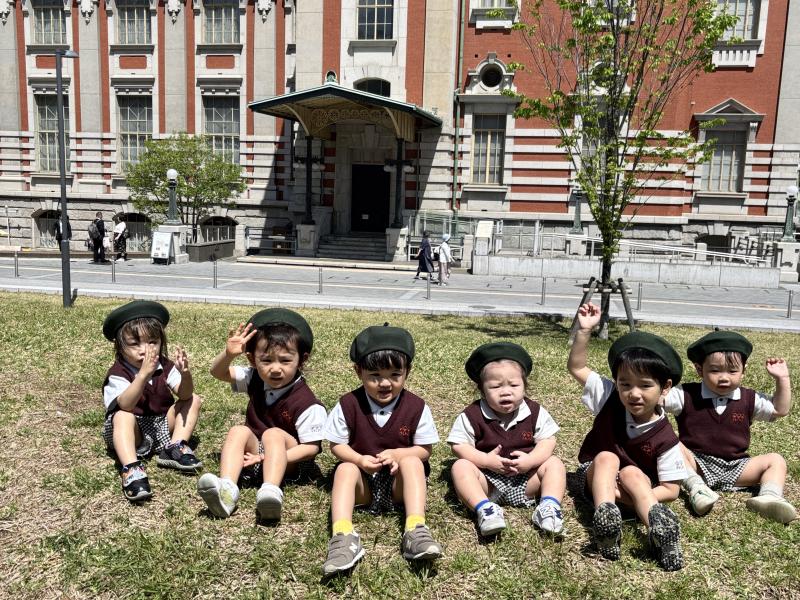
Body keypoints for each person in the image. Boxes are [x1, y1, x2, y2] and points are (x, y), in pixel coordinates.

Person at [568, 302, 687, 571]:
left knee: (632, 473)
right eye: (625, 384)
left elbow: (671, 490)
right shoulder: (609, 397)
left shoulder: (666, 438)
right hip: (597, 480)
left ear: (665, 387)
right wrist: (584, 330)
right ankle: (606, 518)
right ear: (616, 383)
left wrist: (628, 496)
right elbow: (577, 367)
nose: (634, 394)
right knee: (607, 457)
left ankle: (659, 531)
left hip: (636, 491)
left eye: (645, 386)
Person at [321, 323, 442, 575]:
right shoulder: (348, 404)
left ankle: (415, 528)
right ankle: (343, 535)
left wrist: (400, 454)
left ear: (407, 371)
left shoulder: (417, 407)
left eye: (395, 375)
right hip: (363, 486)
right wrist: (359, 460)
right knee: (345, 469)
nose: (385, 383)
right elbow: (336, 445)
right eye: (375, 375)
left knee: (413, 462)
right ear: (358, 371)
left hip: (399, 487)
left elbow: (424, 449)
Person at [198, 308, 326, 521]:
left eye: (285, 361)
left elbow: (311, 448)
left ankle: (270, 491)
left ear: (301, 360)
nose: (275, 369)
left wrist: (269, 457)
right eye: (266, 361)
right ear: (252, 359)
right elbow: (217, 373)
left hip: (290, 462)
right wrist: (229, 355)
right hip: (255, 456)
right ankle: (227, 489)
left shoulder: (307, 403)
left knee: (272, 434)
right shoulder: (255, 378)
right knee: (238, 430)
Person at [662, 330, 796, 523]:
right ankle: (697, 488)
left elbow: (779, 409)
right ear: (699, 369)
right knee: (670, 443)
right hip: (695, 464)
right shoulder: (686, 394)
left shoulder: (749, 398)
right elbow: (657, 399)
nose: (724, 377)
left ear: (744, 370)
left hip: (736, 466)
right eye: (715, 371)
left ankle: (769, 497)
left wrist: (782, 379)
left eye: (732, 371)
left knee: (776, 460)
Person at [447, 342, 566, 537]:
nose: (506, 391)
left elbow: (548, 441)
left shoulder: (534, 411)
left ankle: (549, 507)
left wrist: (531, 461)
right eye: (495, 386)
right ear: (481, 389)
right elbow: (458, 445)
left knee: (554, 463)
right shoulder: (472, 414)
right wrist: (485, 460)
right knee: (460, 466)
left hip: (526, 481)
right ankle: (485, 509)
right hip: (488, 483)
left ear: (524, 385)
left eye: (514, 385)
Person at [101, 300, 203, 502]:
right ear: (119, 347)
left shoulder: (164, 365)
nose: (144, 350)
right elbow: (126, 405)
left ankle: (175, 447)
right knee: (122, 416)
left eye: (152, 342)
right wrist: (142, 375)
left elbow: (184, 395)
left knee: (193, 399)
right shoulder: (118, 373)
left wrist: (185, 375)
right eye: (135, 344)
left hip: (160, 424)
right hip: (131, 431)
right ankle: (131, 468)